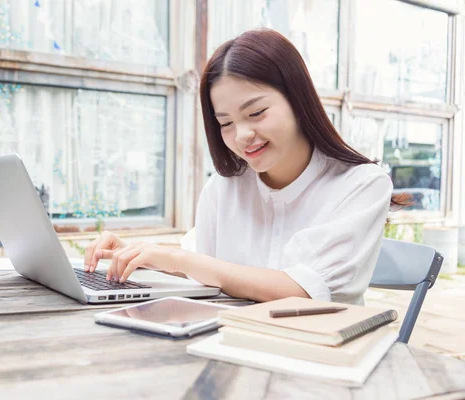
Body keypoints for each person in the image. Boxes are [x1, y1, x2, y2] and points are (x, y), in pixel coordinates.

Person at [84, 29, 406, 305]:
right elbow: (200, 260)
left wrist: (180, 259)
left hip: (319, 355)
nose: (241, 136)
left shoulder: (362, 185)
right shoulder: (225, 187)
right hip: (228, 340)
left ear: (298, 99)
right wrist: (139, 253)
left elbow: (303, 290)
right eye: (225, 122)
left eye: (256, 113)